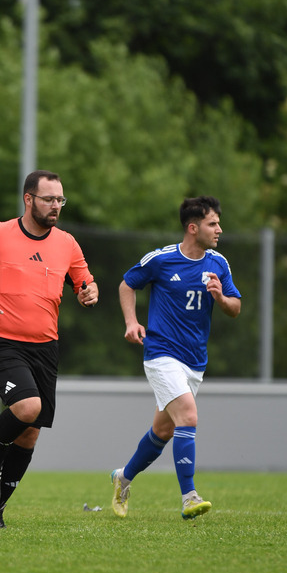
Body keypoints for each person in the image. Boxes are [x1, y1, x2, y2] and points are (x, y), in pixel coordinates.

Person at [0, 170, 98, 528]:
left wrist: (90, 293)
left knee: (30, 432)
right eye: (49, 199)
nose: (56, 206)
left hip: (46, 347)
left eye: (60, 199)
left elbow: (85, 283)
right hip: (2, 341)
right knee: (28, 408)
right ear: (28, 199)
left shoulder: (67, 243)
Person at [111, 195, 241, 520]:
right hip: (161, 354)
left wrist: (221, 298)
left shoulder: (218, 264)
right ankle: (189, 496)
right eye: (213, 223)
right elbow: (127, 284)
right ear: (193, 227)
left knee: (164, 431)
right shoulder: (162, 259)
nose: (219, 229)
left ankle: (123, 478)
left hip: (195, 361)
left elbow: (236, 308)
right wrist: (131, 321)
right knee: (189, 416)